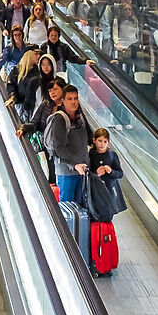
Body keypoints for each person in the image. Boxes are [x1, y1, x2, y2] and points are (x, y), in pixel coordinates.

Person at [44, 85, 94, 205]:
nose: (73, 102)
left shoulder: (80, 117)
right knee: (67, 207)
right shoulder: (59, 119)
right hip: (67, 172)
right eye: (70, 99)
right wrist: (74, 164)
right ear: (63, 101)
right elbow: (59, 147)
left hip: (82, 170)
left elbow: (89, 138)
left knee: (81, 207)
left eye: (75, 98)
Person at [86, 127, 125, 261]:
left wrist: (110, 171)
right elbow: (87, 173)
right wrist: (96, 174)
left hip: (109, 194)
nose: (102, 144)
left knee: (107, 221)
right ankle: (95, 253)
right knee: (95, 219)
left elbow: (119, 174)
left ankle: (105, 252)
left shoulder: (112, 156)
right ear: (94, 141)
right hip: (96, 193)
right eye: (99, 141)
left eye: (105, 141)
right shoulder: (91, 155)